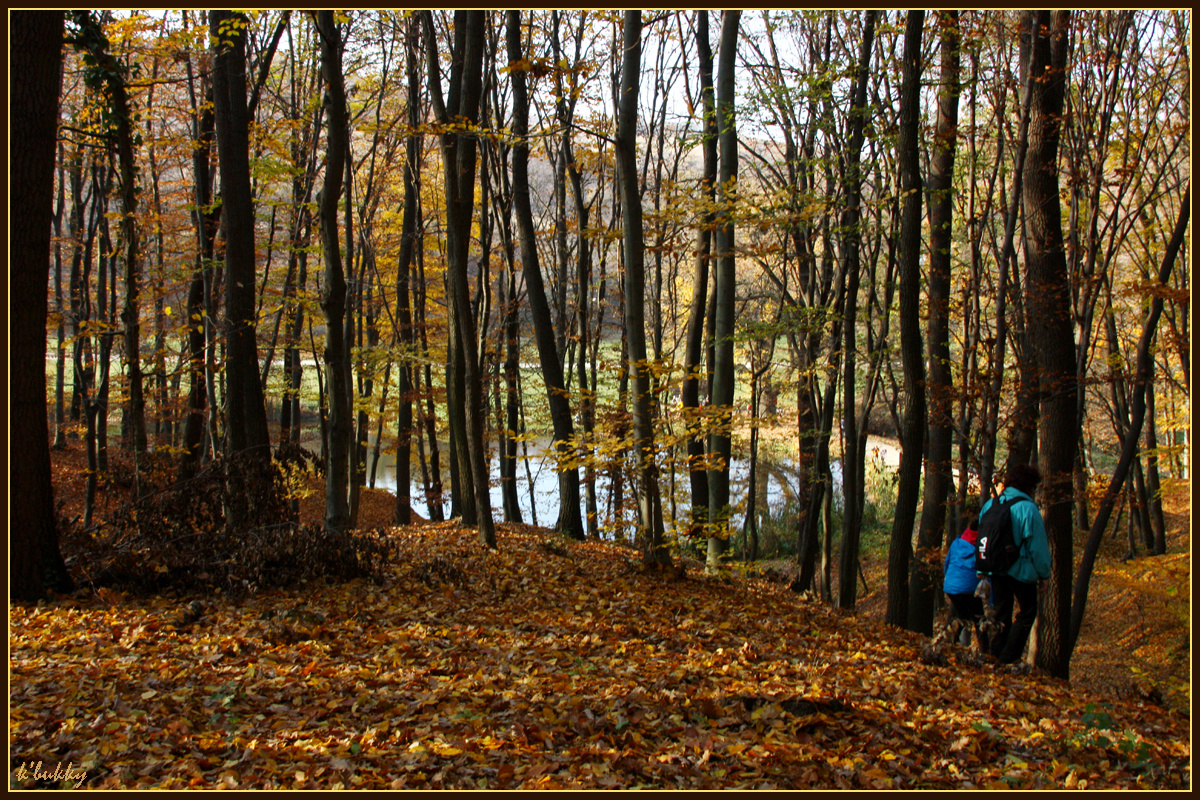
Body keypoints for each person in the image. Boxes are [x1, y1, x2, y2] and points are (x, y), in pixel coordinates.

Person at [981, 462, 1052, 665]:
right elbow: (1037, 547)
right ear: (1029, 485)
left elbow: (982, 538)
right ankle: (1008, 658)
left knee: (1001, 611)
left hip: (994, 567)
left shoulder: (991, 505)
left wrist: (981, 568)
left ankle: (995, 655)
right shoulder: (1028, 509)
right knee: (1027, 611)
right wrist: (1043, 574)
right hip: (1019, 569)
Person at [943, 513, 985, 646]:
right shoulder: (981, 545)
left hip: (951, 587)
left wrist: (949, 581)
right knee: (979, 618)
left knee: (963, 616)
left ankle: (953, 642)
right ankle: (986, 651)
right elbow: (984, 569)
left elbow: (947, 563)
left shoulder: (957, 542)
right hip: (968, 588)